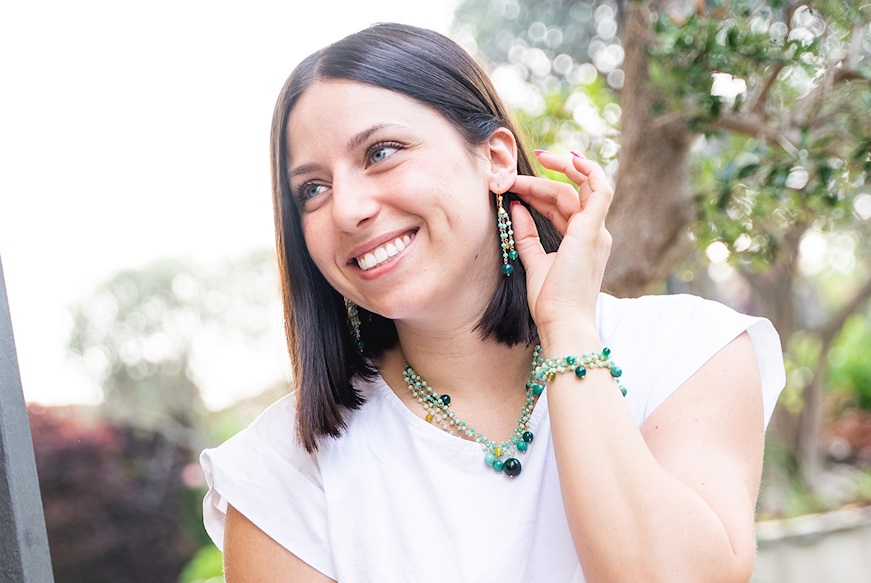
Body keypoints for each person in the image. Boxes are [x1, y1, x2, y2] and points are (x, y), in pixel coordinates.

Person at [200, 23, 785, 583]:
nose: (348, 209)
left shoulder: (687, 352)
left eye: (381, 152)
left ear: (496, 157)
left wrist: (569, 329)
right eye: (313, 189)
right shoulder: (280, 466)